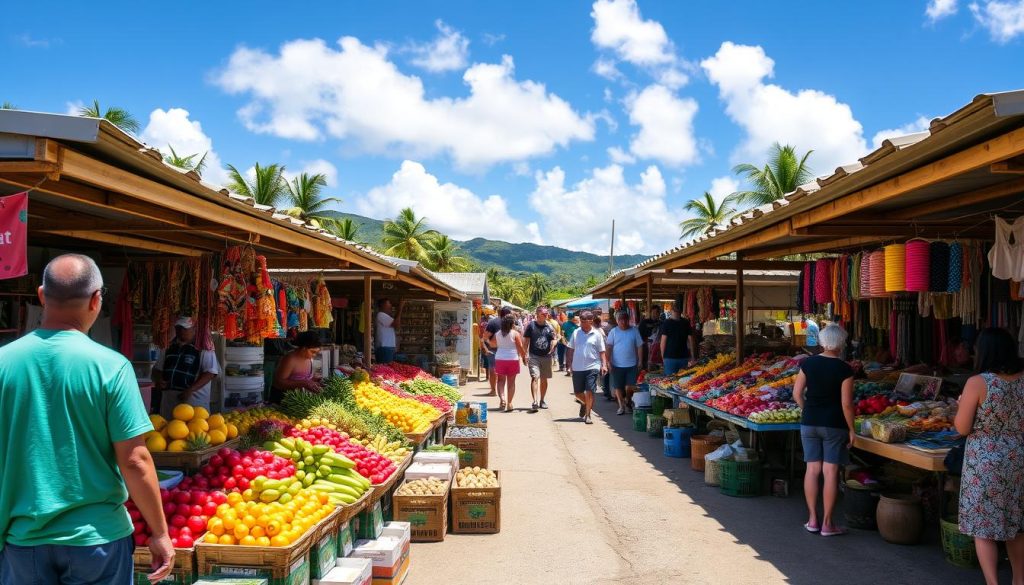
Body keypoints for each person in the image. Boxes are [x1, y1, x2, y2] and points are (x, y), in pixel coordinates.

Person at [0, 254, 174, 583]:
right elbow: (135, 460)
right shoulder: (111, 366)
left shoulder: (3, 362)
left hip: (22, 539)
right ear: (96, 300)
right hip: (98, 541)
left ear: (40, 295)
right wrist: (160, 532)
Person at [954, 327, 1024, 585]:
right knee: (1016, 525)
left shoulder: (978, 382)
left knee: (984, 527)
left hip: (986, 461)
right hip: (1018, 456)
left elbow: (962, 428)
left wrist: (962, 405)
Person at [792, 324, 854, 537]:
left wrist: (807, 410)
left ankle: (812, 520)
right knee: (830, 472)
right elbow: (847, 404)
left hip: (809, 422)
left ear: (821, 341)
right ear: (841, 343)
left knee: (812, 470)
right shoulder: (845, 369)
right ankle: (828, 524)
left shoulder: (808, 363)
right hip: (834, 425)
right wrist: (852, 429)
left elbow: (797, 393)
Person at [153, 316, 220, 420]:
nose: (180, 331)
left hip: (193, 400)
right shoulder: (168, 346)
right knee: (168, 430)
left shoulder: (204, 347)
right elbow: (158, 369)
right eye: (178, 328)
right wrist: (159, 380)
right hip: (169, 400)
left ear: (194, 328)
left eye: (184, 328)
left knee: (193, 430)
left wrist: (191, 390)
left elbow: (210, 373)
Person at [566, 311, 609, 425]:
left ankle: (588, 415)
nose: (583, 323)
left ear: (591, 321)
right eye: (581, 321)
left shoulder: (597, 334)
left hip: (593, 366)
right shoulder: (576, 333)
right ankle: (585, 404)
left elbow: (602, 351)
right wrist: (569, 364)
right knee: (577, 393)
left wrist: (604, 365)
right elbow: (570, 349)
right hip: (577, 367)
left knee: (590, 390)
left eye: (585, 321)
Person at [607, 310, 644, 415]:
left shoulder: (634, 331)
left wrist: (640, 360)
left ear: (628, 320)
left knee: (630, 386)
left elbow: (640, 346)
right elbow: (609, 347)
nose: (623, 322)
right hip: (617, 364)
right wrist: (608, 361)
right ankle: (621, 406)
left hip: (632, 364)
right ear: (617, 321)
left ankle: (628, 400)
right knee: (618, 386)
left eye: (625, 319)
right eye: (620, 320)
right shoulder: (613, 332)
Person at [271, 331, 324, 403]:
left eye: (316, 352)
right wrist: (303, 383)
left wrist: (315, 380)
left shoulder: (310, 359)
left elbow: (304, 378)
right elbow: (278, 383)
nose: (314, 355)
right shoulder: (290, 359)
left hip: (301, 401)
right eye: (312, 352)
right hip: (285, 401)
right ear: (303, 348)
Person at [523, 307, 558, 412]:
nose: (546, 315)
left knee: (544, 379)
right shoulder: (531, 326)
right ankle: (535, 401)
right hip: (534, 356)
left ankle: (542, 400)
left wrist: (554, 343)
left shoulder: (550, 326)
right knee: (535, 377)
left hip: (547, 356)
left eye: (547, 313)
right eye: (544, 314)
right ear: (538, 315)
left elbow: (555, 338)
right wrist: (524, 355)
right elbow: (526, 342)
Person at [493, 314, 527, 412]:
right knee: (511, 383)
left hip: (500, 358)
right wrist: (524, 357)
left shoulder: (498, 333)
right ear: (512, 323)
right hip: (512, 359)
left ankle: (502, 399)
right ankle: (509, 403)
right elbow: (520, 347)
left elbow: (493, 343)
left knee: (500, 381)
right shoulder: (515, 333)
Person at [659, 298, 696, 376]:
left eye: (677, 310)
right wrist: (663, 358)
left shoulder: (685, 323)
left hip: (682, 358)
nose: (676, 312)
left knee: (682, 381)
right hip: (670, 358)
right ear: (671, 311)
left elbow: (690, 340)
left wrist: (692, 356)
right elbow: (663, 342)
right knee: (670, 381)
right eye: (675, 310)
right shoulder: (667, 323)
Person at [482, 307, 512, 396]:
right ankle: (503, 392)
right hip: (507, 352)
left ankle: (494, 390)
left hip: (494, 351)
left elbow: (485, 337)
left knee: (493, 370)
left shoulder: (493, 322)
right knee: (506, 374)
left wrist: (488, 347)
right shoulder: (511, 323)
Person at [375, 298, 402, 364]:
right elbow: (396, 324)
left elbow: (397, 325)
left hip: (387, 348)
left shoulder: (386, 316)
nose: (390, 305)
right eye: (389, 303)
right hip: (385, 348)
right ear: (382, 305)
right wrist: (400, 309)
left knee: (387, 370)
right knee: (385, 370)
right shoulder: (381, 314)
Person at [638, 306, 662, 371]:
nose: (654, 314)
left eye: (656, 313)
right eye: (653, 312)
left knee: (656, 368)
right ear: (650, 313)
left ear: (659, 314)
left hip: (657, 349)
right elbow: (639, 336)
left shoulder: (661, 323)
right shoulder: (644, 322)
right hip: (645, 348)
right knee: (645, 367)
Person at [560, 312, 579, 377]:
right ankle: (572, 370)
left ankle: (568, 370)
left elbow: (562, 333)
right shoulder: (575, 325)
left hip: (566, 342)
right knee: (572, 357)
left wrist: (564, 340)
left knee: (567, 356)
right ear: (573, 317)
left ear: (568, 317)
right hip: (574, 343)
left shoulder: (564, 324)